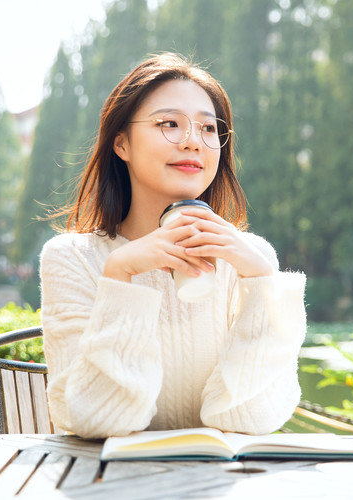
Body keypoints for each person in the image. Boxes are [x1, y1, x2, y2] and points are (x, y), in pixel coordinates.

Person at [40, 53, 306, 438]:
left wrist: (263, 281)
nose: (192, 142)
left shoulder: (250, 259)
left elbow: (251, 420)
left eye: (209, 129)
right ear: (121, 144)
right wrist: (120, 277)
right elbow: (97, 421)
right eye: (169, 124)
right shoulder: (71, 259)